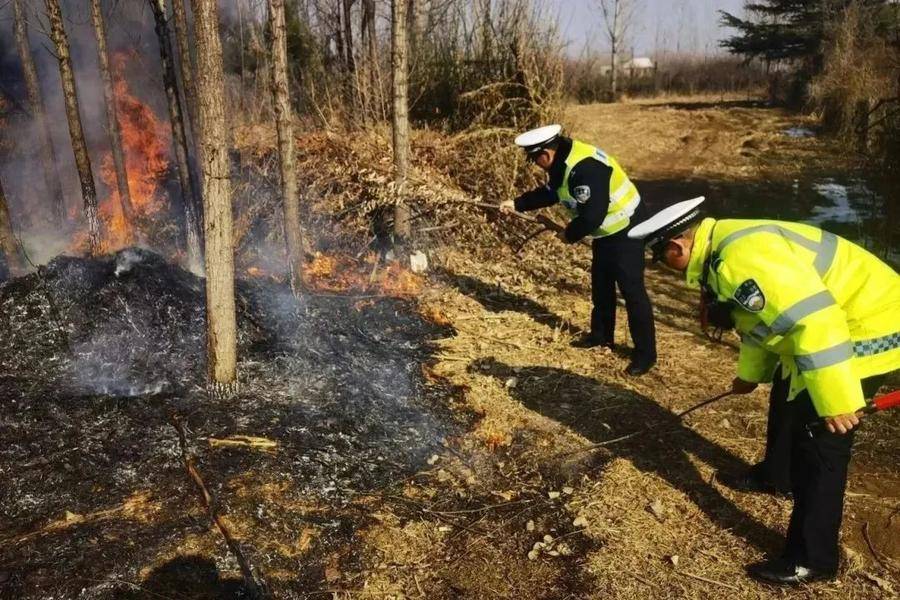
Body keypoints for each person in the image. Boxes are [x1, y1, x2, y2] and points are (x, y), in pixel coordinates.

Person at [629, 199, 900, 585]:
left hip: (864, 329)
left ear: (677, 247)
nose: (667, 270)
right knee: (786, 398)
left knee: (820, 439)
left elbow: (818, 325)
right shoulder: (721, 249)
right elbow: (764, 318)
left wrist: (836, 402)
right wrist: (751, 375)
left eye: (662, 260)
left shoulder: (740, 260)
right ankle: (776, 476)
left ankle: (813, 558)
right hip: (837, 324)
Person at [500, 124, 656, 376]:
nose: (536, 165)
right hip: (606, 233)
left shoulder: (584, 168)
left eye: (535, 159)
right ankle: (601, 336)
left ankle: (645, 355)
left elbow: (593, 216)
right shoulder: (562, 161)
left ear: (546, 153)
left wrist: (568, 234)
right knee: (601, 284)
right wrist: (517, 203)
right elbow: (552, 193)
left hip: (628, 227)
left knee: (632, 291)